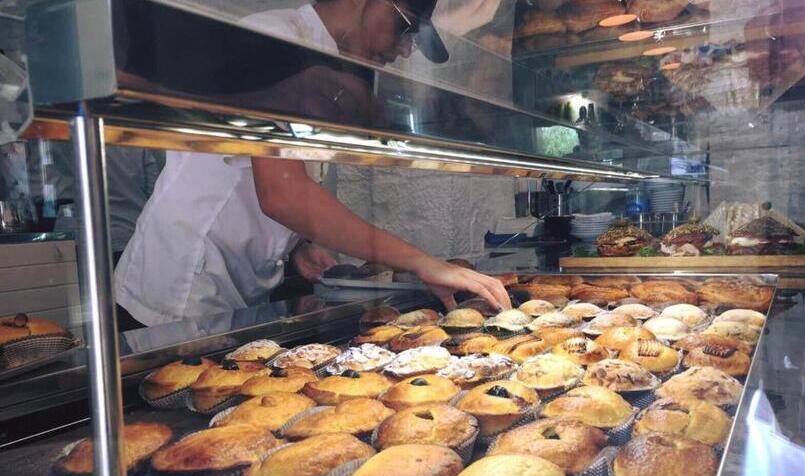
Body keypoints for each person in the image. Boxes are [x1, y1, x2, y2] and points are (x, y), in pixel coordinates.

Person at [114, 0, 510, 329]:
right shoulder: (278, 40)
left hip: (237, 288)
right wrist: (425, 264)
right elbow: (281, 195)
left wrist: (295, 244)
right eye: (404, 27)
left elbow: (257, 176)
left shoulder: (328, 65)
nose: (405, 50)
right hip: (177, 291)